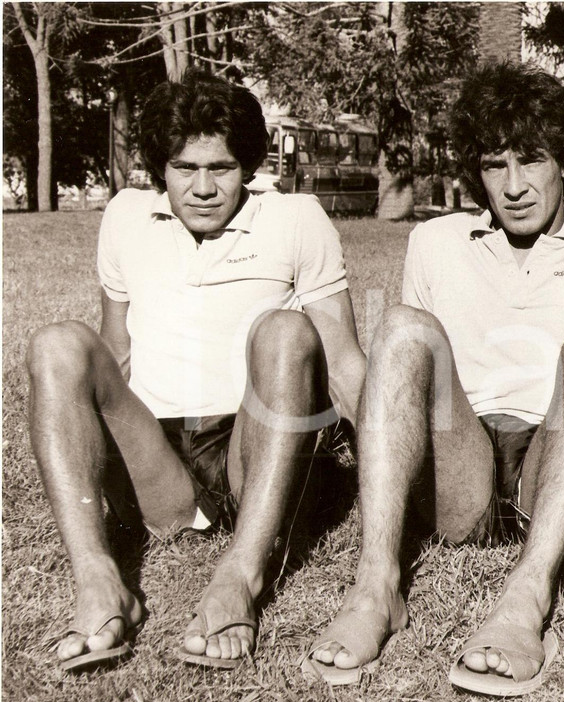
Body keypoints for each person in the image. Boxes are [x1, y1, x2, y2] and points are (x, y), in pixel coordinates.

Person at [301, 62, 564, 695]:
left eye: (531, 160)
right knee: (400, 325)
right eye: (493, 164)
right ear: (472, 171)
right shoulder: (436, 240)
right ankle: (376, 585)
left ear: (563, 160)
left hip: (562, 459)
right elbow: (410, 383)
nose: (513, 186)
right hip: (463, 467)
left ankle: (527, 598)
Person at [26, 68, 367, 671]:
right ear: (161, 167)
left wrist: (395, 476)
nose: (204, 187)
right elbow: (116, 350)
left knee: (286, 329)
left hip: (257, 444)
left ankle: (241, 575)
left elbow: (341, 362)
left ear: (250, 167)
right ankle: (100, 583)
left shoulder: (295, 218)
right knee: (58, 342)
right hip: (160, 460)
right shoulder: (126, 216)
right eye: (186, 169)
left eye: (222, 168)